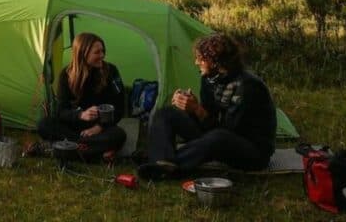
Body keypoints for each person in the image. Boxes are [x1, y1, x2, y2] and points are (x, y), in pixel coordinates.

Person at [138, 33, 277, 180]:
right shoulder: (209, 79)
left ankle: (164, 165)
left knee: (219, 137)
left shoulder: (248, 86)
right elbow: (208, 118)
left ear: (215, 61)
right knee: (166, 113)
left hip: (251, 151)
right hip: (217, 136)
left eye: (201, 59)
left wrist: (197, 110)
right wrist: (190, 106)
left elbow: (229, 131)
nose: (196, 62)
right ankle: (161, 161)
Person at [36, 32, 127, 162]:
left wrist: (99, 127)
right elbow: (61, 111)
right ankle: (91, 152)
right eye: (97, 52)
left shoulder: (111, 71)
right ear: (83, 53)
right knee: (44, 124)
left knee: (119, 135)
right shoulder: (66, 75)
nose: (102, 55)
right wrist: (80, 115)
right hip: (75, 128)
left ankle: (67, 149)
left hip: (100, 128)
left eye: (103, 51)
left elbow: (119, 107)